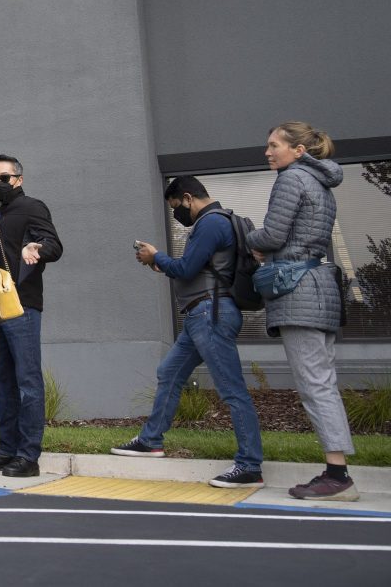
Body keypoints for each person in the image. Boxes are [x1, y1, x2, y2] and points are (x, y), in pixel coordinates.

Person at [117, 176, 264, 488]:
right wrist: (162, 263)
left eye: (176, 208)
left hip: (210, 314)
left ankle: (250, 466)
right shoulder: (224, 221)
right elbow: (194, 268)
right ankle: (150, 441)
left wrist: (155, 256)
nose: (177, 215)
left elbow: (185, 268)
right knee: (169, 372)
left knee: (232, 389)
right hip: (203, 314)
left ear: (187, 198)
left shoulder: (210, 223)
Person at [247, 121, 358, 502]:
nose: (267, 152)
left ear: (298, 150)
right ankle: (336, 471)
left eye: (274, 145)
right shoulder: (320, 182)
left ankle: (338, 476)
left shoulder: (292, 178)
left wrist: (251, 239)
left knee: (314, 385)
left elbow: (273, 235)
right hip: (321, 289)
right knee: (322, 381)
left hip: (298, 292)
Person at [0, 155, 63, 479]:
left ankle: (28, 455)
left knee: (27, 381)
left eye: (5, 177)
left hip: (22, 305)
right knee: (0, 381)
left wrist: (36, 248)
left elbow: (54, 245)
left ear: (19, 179)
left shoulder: (32, 208)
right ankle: (7, 449)